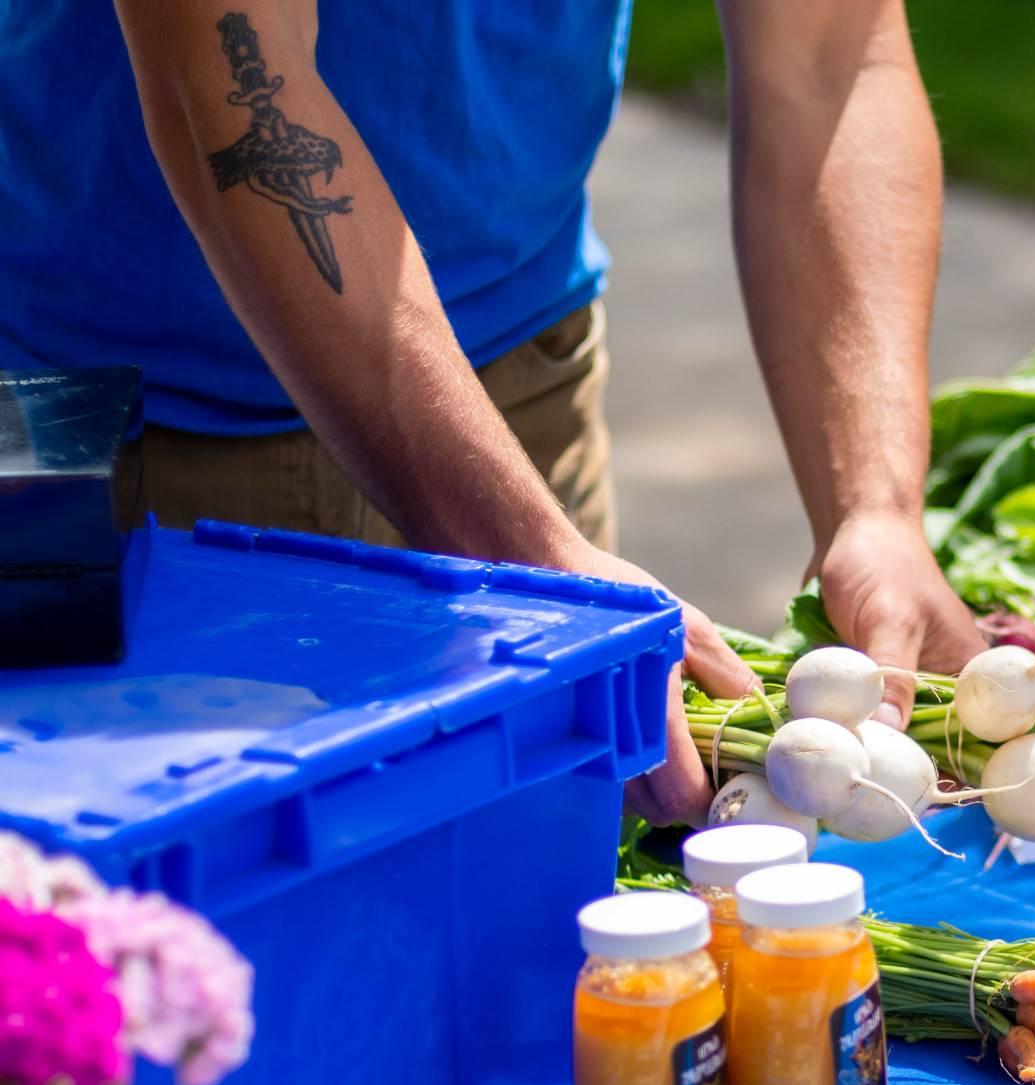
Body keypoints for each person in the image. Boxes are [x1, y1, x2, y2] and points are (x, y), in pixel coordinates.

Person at [0, 0, 983, 826]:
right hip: (127, 464)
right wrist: (516, 538)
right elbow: (226, 81)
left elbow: (826, 54)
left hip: (520, 392)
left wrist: (876, 507)